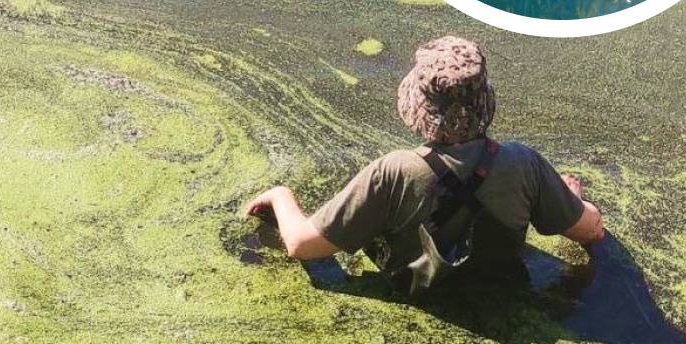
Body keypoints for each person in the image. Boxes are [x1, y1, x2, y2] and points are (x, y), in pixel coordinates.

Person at [243, 36, 603, 297]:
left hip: (413, 295)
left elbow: (302, 245)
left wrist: (281, 196)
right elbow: (590, 231)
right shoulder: (523, 163)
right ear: (485, 102)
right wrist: (571, 199)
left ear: (416, 107)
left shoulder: (395, 171)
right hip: (501, 293)